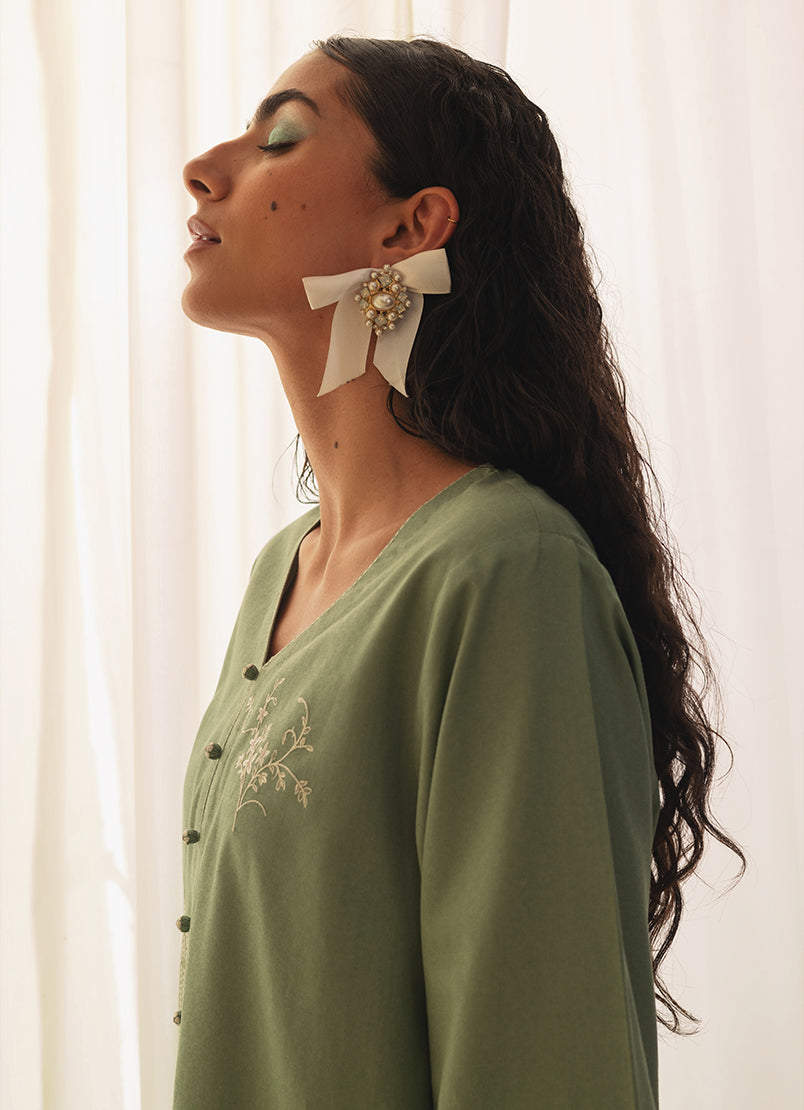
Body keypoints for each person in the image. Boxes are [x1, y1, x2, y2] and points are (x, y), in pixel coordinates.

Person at [173, 36, 743, 1109]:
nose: (204, 169)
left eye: (279, 138)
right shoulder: (278, 574)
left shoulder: (507, 573)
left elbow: (543, 1061)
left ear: (410, 229)